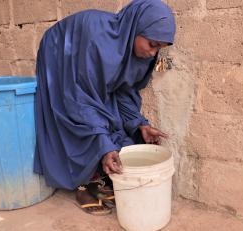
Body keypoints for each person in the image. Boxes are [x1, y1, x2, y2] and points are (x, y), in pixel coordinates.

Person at [33, 0, 176, 215]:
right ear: (135, 28)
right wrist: (103, 146)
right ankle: (82, 181)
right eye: (152, 44)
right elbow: (81, 98)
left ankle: (98, 174)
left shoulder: (138, 55)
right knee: (77, 117)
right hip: (61, 50)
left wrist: (140, 124)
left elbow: (124, 93)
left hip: (88, 67)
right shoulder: (98, 42)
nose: (153, 54)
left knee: (110, 118)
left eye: (160, 49)